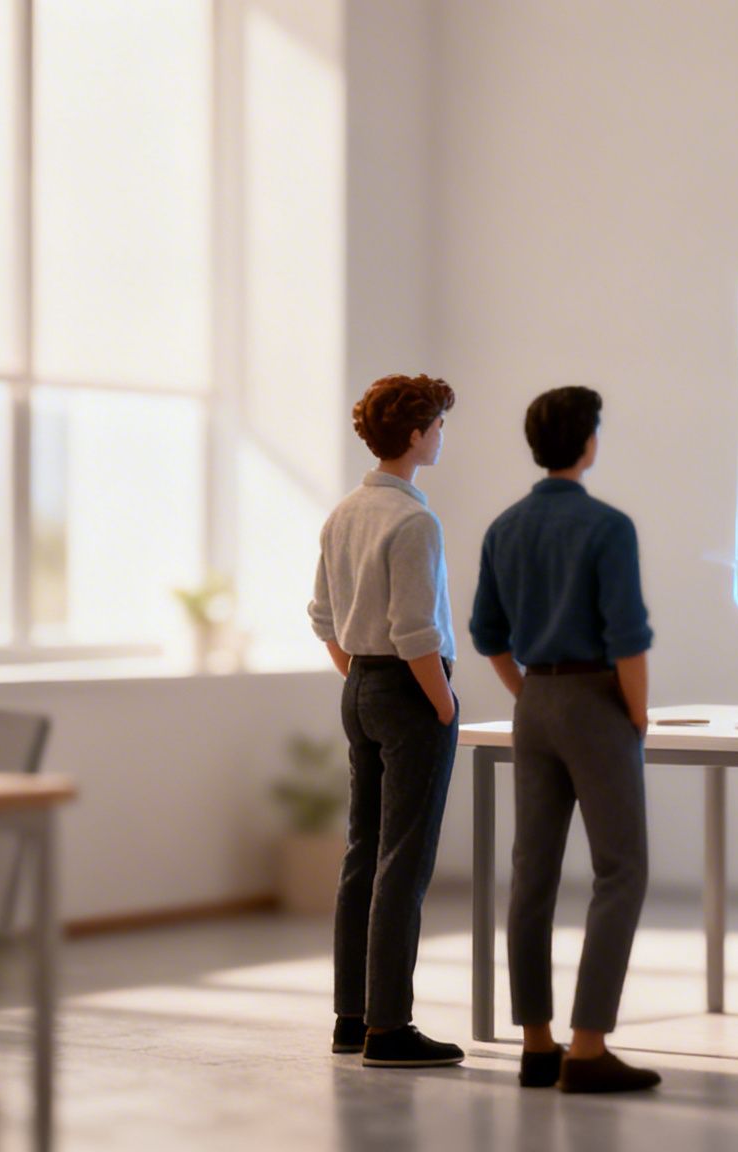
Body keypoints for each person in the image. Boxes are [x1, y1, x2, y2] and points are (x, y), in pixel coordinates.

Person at [471, 386, 660, 1094]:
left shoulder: (504, 527)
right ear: (589, 442)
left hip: (537, 702)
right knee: (620, 869)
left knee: (533, 874)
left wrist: (530, 696)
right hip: (595, 701)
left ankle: (537, 1044)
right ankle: (588, 1047)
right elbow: (629, 639)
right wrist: (633, 716)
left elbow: (488, 635)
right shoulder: (608, 527)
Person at [307, 374, 464, 1069]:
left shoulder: (343, 512)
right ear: (414, 436)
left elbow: (321, 616)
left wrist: (361, 678)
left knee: (362, 852)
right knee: (405, 859)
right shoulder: (414, 521)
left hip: (361, 687)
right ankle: (390, 1028)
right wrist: (441, 702)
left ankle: (352, 1017)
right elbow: (416, 631)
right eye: (436, 426)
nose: (440, 436)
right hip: (408, 691)